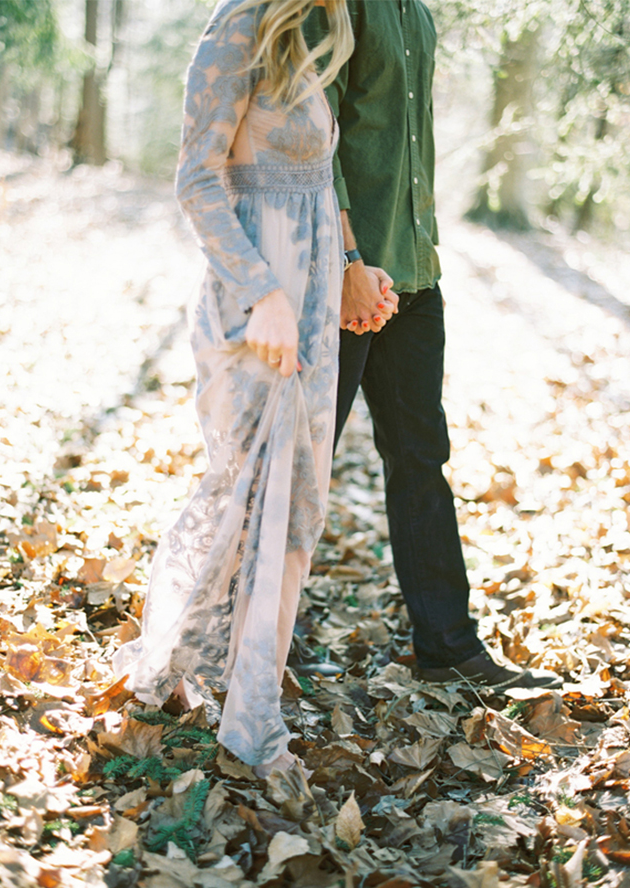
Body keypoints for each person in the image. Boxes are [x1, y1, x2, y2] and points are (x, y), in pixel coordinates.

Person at [111, 0, 378, 776]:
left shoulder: (319, 33)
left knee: (297, 503)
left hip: (315, 298)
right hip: (254, 303)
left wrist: (354, 269)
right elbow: (197, 178)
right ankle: (243, 711)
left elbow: (319, 181)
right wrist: (264, 291)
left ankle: (242, 684)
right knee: (246, 492)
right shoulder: (239, 24)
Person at [305, 0, 561, 691]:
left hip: (414, 279)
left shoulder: (417, 14)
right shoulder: (336, 6)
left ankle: (447, 647)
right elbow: (312, 142)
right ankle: (249, 638)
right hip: (346, 280)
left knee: (421, 458)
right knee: (299, 467)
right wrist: (348, 265)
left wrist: (419, 258)